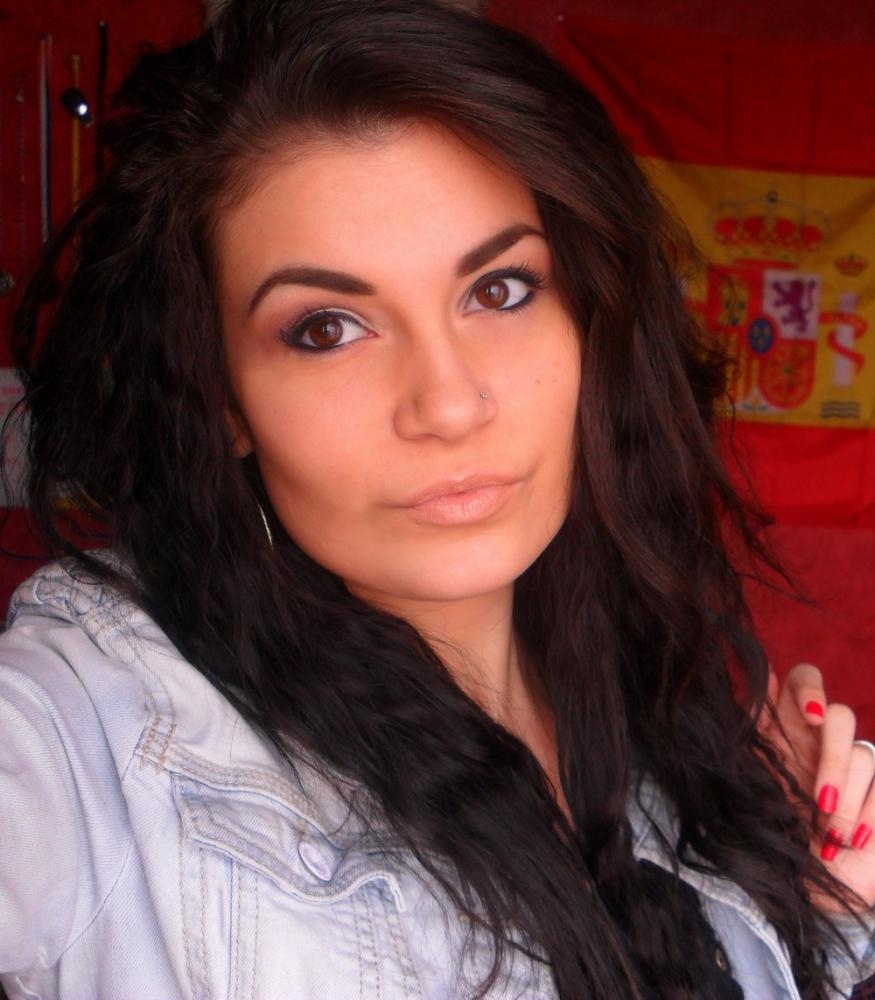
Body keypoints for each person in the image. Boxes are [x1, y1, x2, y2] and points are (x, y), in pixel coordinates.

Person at [1, 0, 873, 997]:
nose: (450, 404)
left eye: (498, 291)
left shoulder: (661, 717)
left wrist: (823, 922)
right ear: (221, 397)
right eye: (326, 329)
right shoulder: (98, 727)